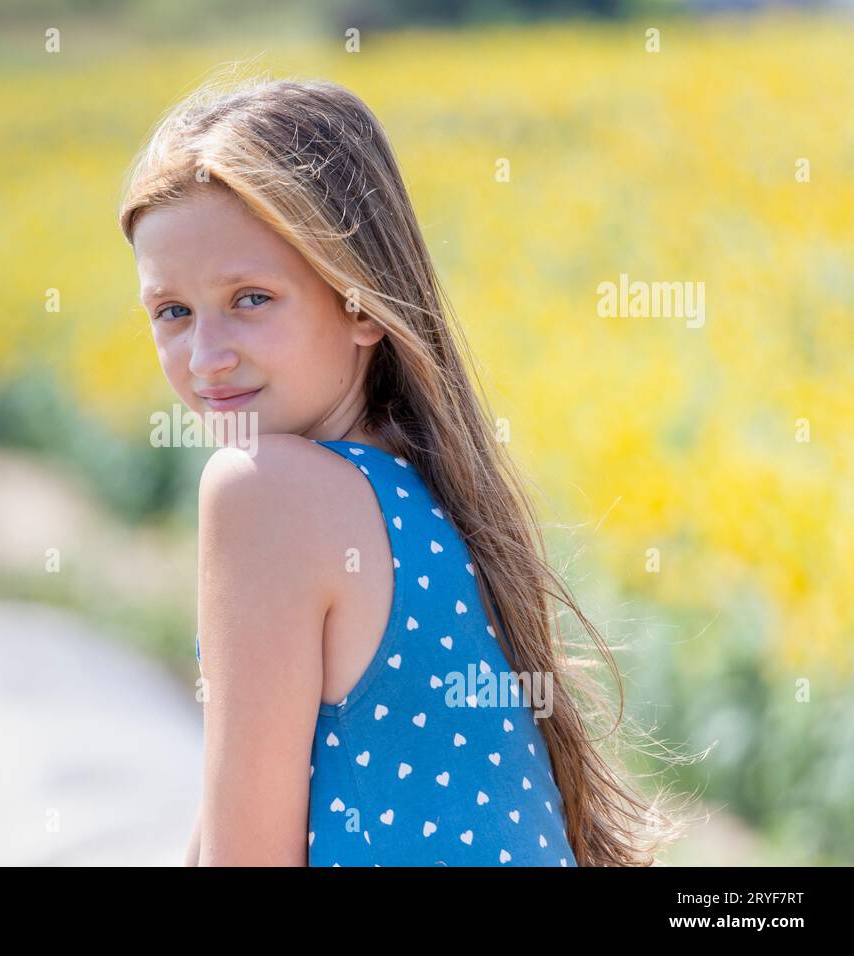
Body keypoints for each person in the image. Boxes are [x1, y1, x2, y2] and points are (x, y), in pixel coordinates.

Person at [117, 74, 685, 866]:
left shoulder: (263, 490)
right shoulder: (430, 493)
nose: (205, 357)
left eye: (250, 298)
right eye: (172, 312)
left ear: (360, 303)